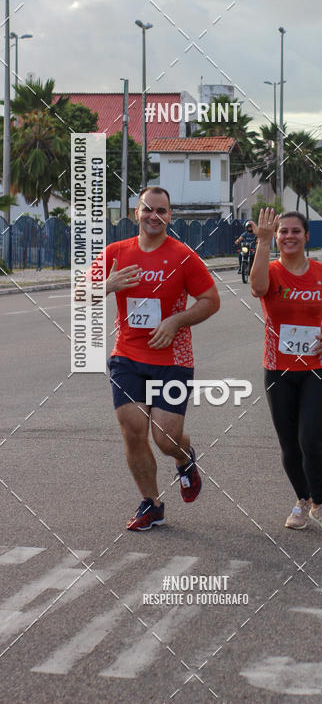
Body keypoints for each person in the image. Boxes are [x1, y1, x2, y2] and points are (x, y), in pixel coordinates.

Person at [100, 187, 220, 530]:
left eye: (162, 211)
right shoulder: (116, 252)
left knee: (165, 437)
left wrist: (175, 321)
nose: (154, 216)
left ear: (171, 216)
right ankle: (151, 504)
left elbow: (211, 300)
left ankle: (184, 460)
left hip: (173, 360)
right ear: (136, 213)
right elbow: (79, 293)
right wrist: (106, 285)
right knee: (134, 431)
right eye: (148, 209)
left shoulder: (183, 256)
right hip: (127, 356)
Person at [250, 208, 322, 537]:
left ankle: (321, 504)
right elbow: (258, 288)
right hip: (278, 370)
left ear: (307, 236)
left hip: (316, 370)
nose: (289, 236)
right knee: (289, 445)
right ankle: (302, 500)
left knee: (311, 440)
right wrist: (262, 244)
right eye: (282, 232)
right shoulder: (272, 270)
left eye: (295, 231)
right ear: (276, 238)